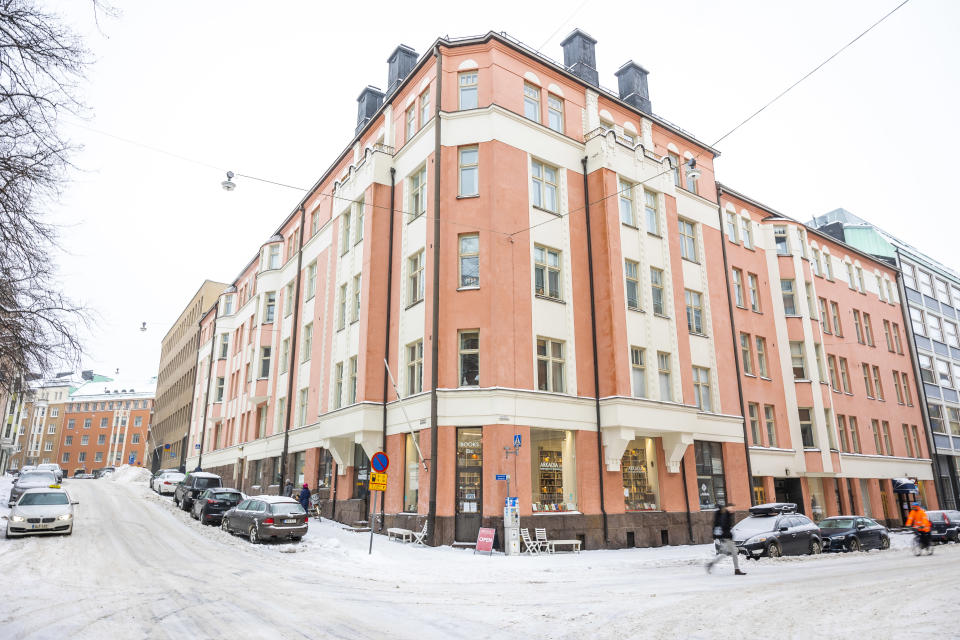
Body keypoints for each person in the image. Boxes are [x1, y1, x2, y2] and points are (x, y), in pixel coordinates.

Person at [706, 503, 746, 575]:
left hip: (725, 537)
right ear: (728, 507)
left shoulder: (726, 514)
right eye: (732, 508)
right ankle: (737, 570)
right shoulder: (725, 514)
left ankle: (711, 564)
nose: (733, 509)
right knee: (734, 552)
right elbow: (724, 526)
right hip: (727, 537)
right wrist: (728, 535)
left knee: (724, 553)